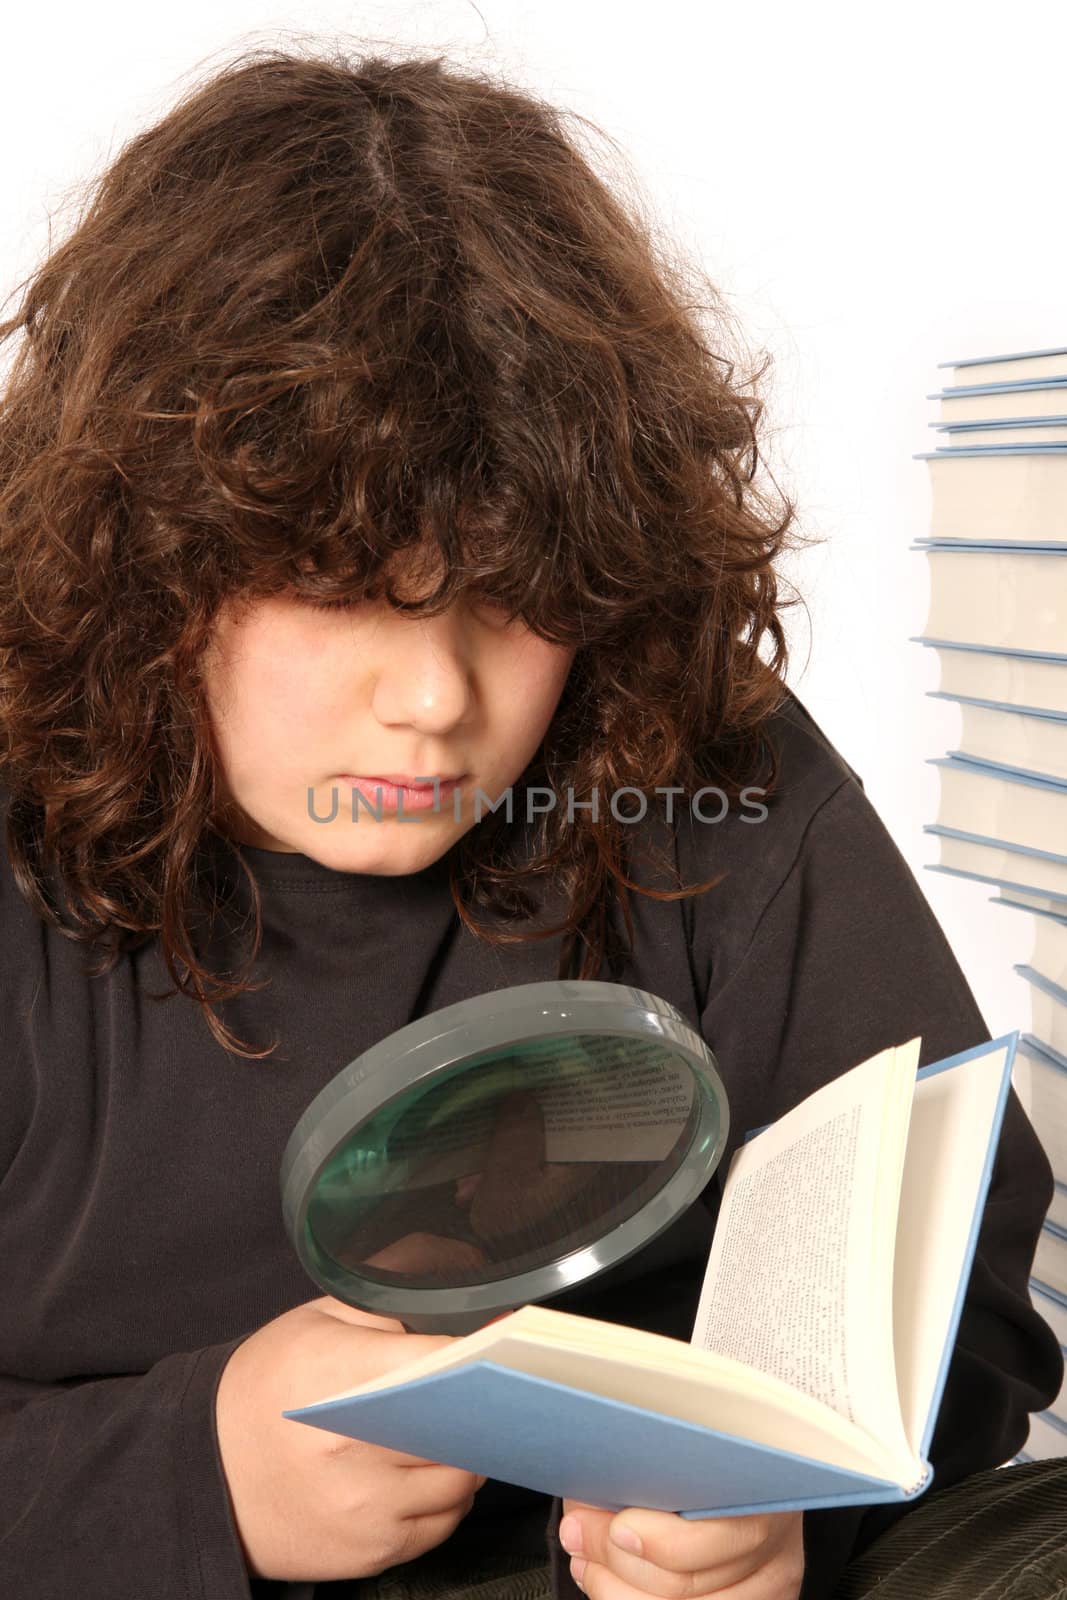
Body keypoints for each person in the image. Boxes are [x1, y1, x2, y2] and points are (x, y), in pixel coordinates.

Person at [0, 41, 1061, 1600]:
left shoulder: (694, 761)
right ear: (148, 566)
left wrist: (771, 1509)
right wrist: (189, 1469)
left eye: (520, 600)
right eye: (344, 592)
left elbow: (968, 1302)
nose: (434, 696)